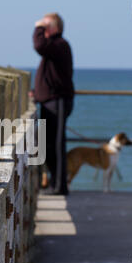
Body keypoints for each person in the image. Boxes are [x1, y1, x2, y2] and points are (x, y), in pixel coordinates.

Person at [31, 13, 74, 195]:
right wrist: (36, 92)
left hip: (58, 102)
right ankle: (54, 184)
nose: (42, 28)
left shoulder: (60, 45)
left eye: (46, 25)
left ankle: (59, 187)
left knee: (56, 145)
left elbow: (39, 45)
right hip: (50, 101)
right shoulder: (54, 47)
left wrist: (38, 28)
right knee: (47, 145)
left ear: (54, 27)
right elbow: (49, 76)